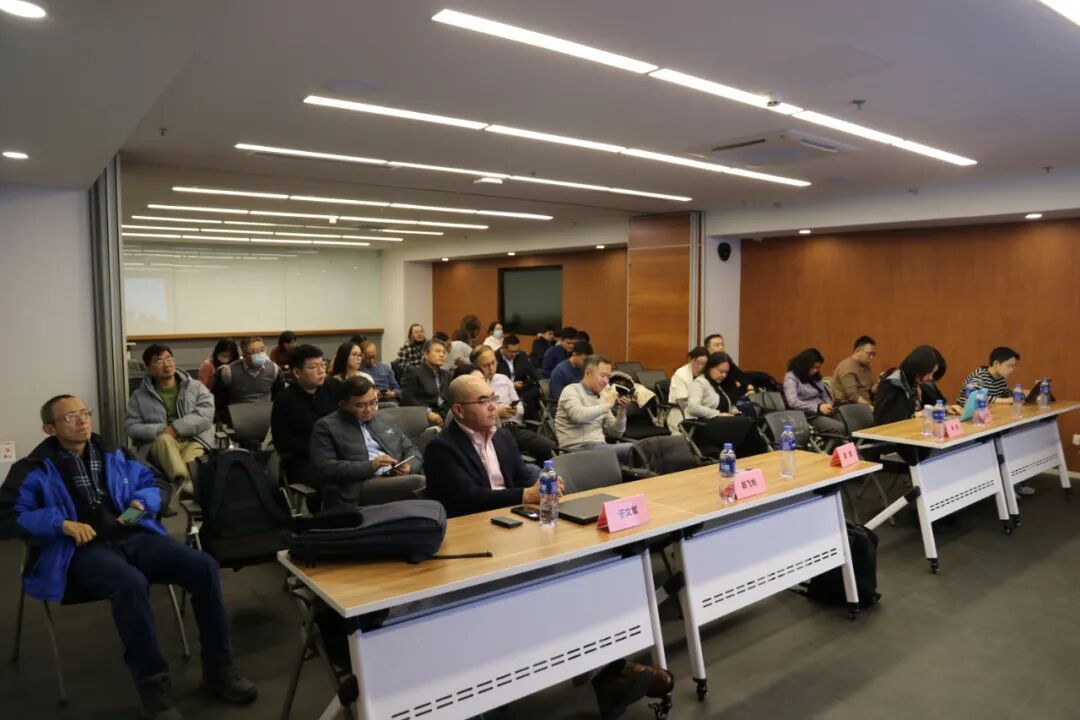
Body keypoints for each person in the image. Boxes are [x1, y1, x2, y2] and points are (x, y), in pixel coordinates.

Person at [1, 395, 255, 720]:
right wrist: (60, 524)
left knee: (203, 566)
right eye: (70, 417)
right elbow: (7, 516)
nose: (82, 420)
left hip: (132, 535)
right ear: (49, 428)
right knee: (130, 584)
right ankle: (153, 684)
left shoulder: (115, 453)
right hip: (81, 549)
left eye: (84, 413)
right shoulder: (33, 469)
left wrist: (141, 504)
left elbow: (154, 482)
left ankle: (219, 667)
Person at [424, 375, 562, 518]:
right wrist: (526, 495)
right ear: (459, 410)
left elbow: (521, 476)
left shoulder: (502, 436)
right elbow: (469, 498)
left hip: (510, 515)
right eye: (483, 401)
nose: (493, 407)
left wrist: (546, 484)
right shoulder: (441, 448)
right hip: (471, 522)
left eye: (493, 399)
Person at [309, 376, 425, 511]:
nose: (369, 409)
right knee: (418, 483)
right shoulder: (326, 426)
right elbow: (325, 469)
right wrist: (371, 466)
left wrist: (409, 467)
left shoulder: (384, 419)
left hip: (394, 477)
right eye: (360, 405)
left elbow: (412, 449)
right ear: (343, 404)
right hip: (357, 488)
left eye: (373, 402)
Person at [124, 344, 214, 515]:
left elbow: (206, 414)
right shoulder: (139, 396)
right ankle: (185, 483)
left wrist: (176, 428)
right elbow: (131, 426)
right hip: (161, 445)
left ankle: (180, 488)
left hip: (194, 440)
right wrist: (160, 430)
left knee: (195, 461)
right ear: (148, 368)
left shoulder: (195, 387)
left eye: (169, 358)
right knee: (165, 440)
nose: (166, 364)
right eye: (159, 361)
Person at [271, 345, 338, 511]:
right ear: (297, 372)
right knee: (332, 486)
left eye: (323, 365)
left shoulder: (333, 387)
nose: (321, 371)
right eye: (313, 367)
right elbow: (283, 443)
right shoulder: (284, 400)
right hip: (304, 460)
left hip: (338, 453)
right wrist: (319, 447)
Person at [472, 345, 556, 461]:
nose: (491, 368)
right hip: (489, 432)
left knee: (549, 446)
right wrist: (497, 413)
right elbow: (474, 415)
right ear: (476, 366)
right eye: (486, 365)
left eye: (493, 363)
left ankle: (544, 470)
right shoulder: (473, 384)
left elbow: (520, 407)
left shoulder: (503, 379)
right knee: (509, 452)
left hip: (513, 427)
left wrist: (514, 410)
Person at [555, 354, 634, 465]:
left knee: (642, 449)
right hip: (576, 450)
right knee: (635, 449)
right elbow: (578, 416)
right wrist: (606, 406)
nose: (606, 381)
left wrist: (622, 411)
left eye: (608, 377)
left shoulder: (602, 396)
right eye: (602, 376)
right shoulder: (571, 391)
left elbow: (616, 433)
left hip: (600, 448)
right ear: (588, 373)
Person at [686, 352, 769, 457]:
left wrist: (734, 411)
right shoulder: (700, 383)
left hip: (722, 424)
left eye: (726, 372)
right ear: (710, 367)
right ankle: (760, 455)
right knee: (746, 423)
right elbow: (693, 407)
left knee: (747, 422)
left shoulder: (720, 385)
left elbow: (726, 406)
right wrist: (717, 414)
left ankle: (755, 456)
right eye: (721, 371)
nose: (723, 375)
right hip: (704, 425)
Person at [782, 348, 846, 436]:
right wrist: (817, 407)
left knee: (848, 423)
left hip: (823, 409)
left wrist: (829, 405)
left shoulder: (815, 376)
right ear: (804, 365)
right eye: (814, 367)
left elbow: (824, 394)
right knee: (839, 427)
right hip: (807, 414)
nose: (816, 370)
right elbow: (793, 402)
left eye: (818, 367)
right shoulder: (791, 377)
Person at [874, 345, 942, 426]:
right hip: (886, 432)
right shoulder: (892, 383)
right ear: (920, 368)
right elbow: (886, 418)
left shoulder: (912, 382)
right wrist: (916, 414)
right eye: (930, 372)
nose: (931, 377)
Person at [215, 336, 285, 410]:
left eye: (262, 350)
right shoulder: (228, 371)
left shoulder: (274, 369)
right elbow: (220, 401)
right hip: (238, 413)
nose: (260, 354)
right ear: (244, 356)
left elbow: (279, 397)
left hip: (266, 412)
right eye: (254, 352)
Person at [399, 338, 451, 426]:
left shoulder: (447, 374)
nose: (442, 355)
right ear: (426, 355)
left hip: (445, 415)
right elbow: (407, 398)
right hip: (423, 416)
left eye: (444, 352)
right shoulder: (414, 372)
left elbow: (449, 398)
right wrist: (426, 412)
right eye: (437, 351)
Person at [956, 347, 1022, 406]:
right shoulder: (980, 375)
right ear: (996, 363)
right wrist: (1006, 400)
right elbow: (976, 396)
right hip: (965, 412)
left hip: (988, 411)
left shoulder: (1001, 378)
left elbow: (1006, 394)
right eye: (1009, 365)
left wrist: (1018, 394)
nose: (1012, 369)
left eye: (1013, 366)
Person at [496, 334, 541, 419]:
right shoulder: (495, 358)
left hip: (520, 388)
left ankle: (530, 421)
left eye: (516, 351)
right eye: (511, 352)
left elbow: (531, 371)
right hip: (503, 390)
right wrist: (512, 385)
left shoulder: (521, 355)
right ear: (503, 348)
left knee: (534, 391)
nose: (514, 354)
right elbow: (496, 381)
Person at [667, 346, 709, 432]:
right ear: (690, 360)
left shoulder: (707, 374)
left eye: (704, 364)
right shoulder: (680, 375)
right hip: (682, 413)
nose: (701, 367)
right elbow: (682, 401)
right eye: (698, 363)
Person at [832, 336, 877, 406]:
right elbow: (852, 396)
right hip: (848, 406)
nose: (871, 357)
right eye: (869, 354)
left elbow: (869, 390)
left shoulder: (865, 365)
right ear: (857, 351)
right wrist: (870, 407)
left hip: (864, 404)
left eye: (873, 354)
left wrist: (879, 383)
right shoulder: (847, 366)